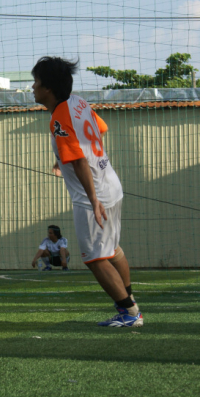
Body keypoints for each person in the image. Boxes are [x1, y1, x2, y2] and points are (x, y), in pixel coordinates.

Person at [32, 56, 142, 327]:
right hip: (111, 183)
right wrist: (65, 157)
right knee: (113, 250)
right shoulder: (79, 102)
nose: (32, 88)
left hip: (92, 195)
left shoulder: (58, 119)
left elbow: (80, 160)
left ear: (48, 88)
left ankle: (129, 313)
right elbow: (100, 129)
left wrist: (93, 201)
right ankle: (130, 301)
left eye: (35, 82)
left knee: (95, 258)